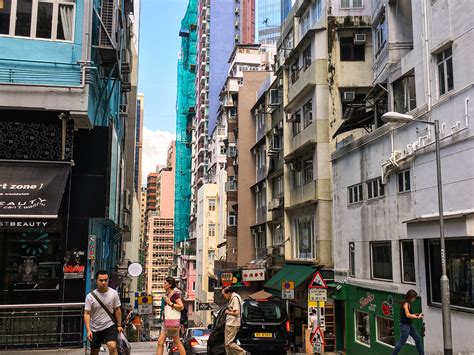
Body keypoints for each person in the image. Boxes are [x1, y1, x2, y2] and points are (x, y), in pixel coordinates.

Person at [84, 270, 123, 355]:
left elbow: (117, 310)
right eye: (101, 280)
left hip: (109, 325)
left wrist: (119, 325)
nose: (104, 282)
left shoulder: (114, 293)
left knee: (112, 346)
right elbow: (87, 313)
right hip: (95, 327)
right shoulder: (90, 297)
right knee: (94, 351)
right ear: (96, 281)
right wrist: (88, 330)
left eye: (106, 280)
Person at [156, 277, 186, 355]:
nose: (164, 284)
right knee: (161, 342)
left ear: (170, 285)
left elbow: (181, 307)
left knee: (176, 342)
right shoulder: (167, 294)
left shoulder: (174, 295)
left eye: (165, 283)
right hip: (167, 322)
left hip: (171, 322)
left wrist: (170, 303)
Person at [392, 289, 425, 355]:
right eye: (414, 297)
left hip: (409, 325)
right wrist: (417, 317)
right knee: (402, 342)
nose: (415, 299)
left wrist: (416, 314)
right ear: (410, 297)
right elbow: (408, 315)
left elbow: (409, 314)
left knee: (417, 339)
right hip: (405, 326)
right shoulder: (406, 304)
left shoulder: (409, 304)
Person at [222, 286, 245, 355]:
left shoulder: (235, 298)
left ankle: (242, 353)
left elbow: (236, 312)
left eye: (224, 294)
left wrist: (228, 312)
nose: (224, 296)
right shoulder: (233, 298)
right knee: (227, 344)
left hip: (233, 323)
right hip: (230, 323)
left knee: (229, 343)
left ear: (228, 293)